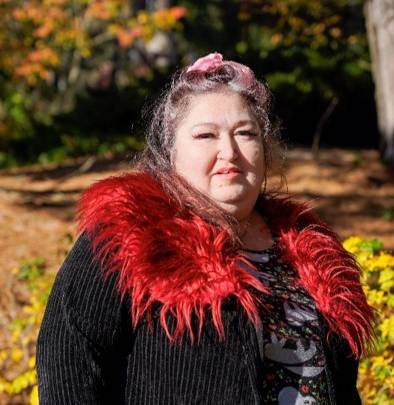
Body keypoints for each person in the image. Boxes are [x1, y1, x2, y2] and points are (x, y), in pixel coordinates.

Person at [36, 52, 375, 405]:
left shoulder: (310, 253)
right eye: (205, 135)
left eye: (245, 133)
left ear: (265, 148)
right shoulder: (128, 238)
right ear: (171, 154)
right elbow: (68, 365)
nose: (228, 151)